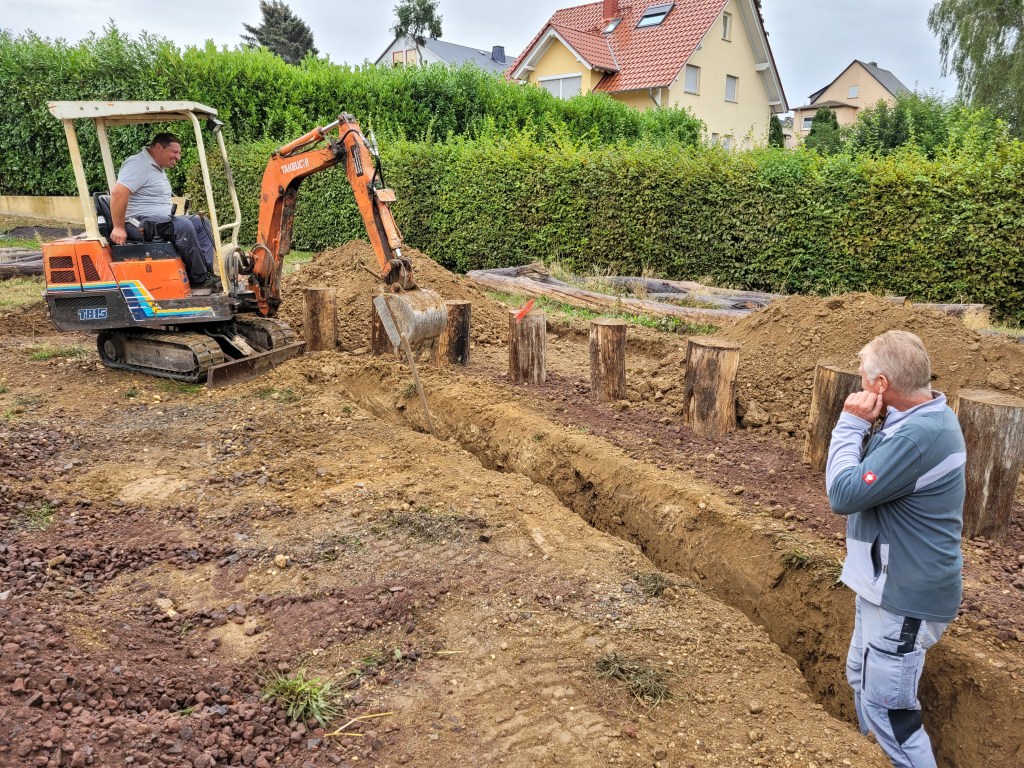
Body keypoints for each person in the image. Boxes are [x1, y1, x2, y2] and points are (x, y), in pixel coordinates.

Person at [826, 330, 965, 768]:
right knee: (860, 679)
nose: (859, 384)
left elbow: (844, 494)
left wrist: (850, 424)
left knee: (890, 711)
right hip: (883, 586)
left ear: (881, 384)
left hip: (904, 596)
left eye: (863, 374)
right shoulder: (916, 420)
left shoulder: (916, 437)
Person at [110, 133, 220, 292]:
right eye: (175, 152)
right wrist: (118, 227)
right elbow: (118, 193)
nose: (178, 157)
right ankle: (199, 279)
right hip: (138, 223)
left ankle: (206, 273)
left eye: (179, 153)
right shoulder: (138, 165)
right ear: (159, 147)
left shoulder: (156, 167)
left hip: (158, 221)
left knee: (201, 222)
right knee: (183, 226)